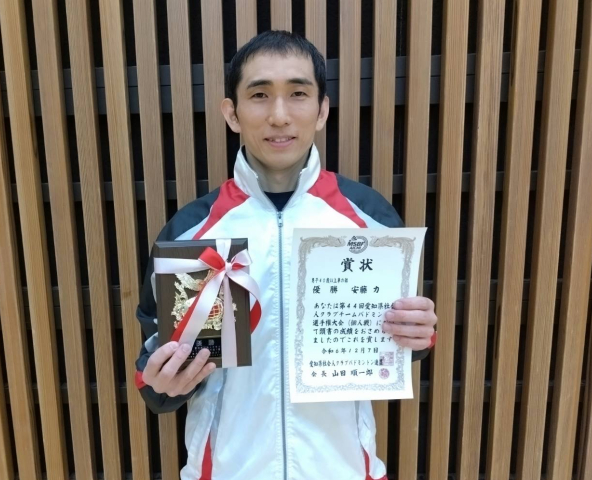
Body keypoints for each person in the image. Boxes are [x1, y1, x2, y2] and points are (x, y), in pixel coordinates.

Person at [135, 30, 437, 480]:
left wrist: (417, 336)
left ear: (322, 110)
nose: (279, 115)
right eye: (259, 95)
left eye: (298, 93)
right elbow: (155, 371)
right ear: (232, 113)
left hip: (343, 470)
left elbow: (393, 348)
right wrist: (161, 382)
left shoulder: (369, 219)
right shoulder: (194, 232)